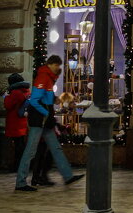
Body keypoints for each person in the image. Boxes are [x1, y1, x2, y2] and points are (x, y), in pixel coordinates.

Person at [15, 56, 84, 191]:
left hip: (44, 121)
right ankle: (20, 182)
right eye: (57, 65)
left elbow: (44, 97)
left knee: (55, 148)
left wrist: (54, 100)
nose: (58, 68)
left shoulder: (48, 78)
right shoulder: (43, 77)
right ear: (51, 64)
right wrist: (46, 113)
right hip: (39, 120)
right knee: (30, 151)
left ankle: (68, 176)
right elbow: (35, 100)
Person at [3, 73, 30, 172]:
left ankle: (17, 166)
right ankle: (20, 165)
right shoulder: (26, 91)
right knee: (20, 144)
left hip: (15, 122)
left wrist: (6, 96)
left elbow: (7, 105)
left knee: (18, 146)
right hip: (22, 121)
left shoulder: (15, 92)